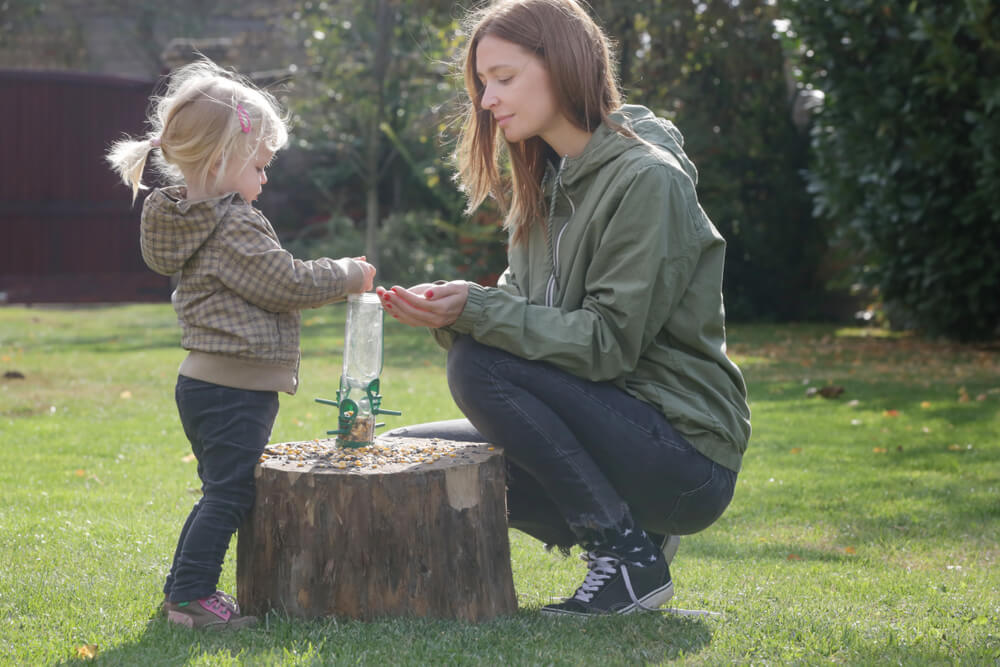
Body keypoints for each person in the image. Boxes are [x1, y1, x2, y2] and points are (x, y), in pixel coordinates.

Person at [376, 0, 750, 617]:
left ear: (565, 64)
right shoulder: (543, 186)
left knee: (477, 366)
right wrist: (454, 310)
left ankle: (625, 554)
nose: (487, 100)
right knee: (404, 456)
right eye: (481, 85)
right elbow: (524, 319)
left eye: (504, 77)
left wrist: (476, 313)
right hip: (610, 430)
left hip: (684, 457)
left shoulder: (647, 180)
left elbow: (606, 345)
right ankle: (635, 533)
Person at [106, 59, 375, 630]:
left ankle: (184, 591)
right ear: (224, 158)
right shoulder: (231, 224)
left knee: (219, 490)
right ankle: (192, 597)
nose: (266, 178)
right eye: (261, 164)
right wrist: (348, 273)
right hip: (233, 387)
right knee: (229, 495)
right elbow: (287, 284)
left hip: (206, 382)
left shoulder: (188, 221)